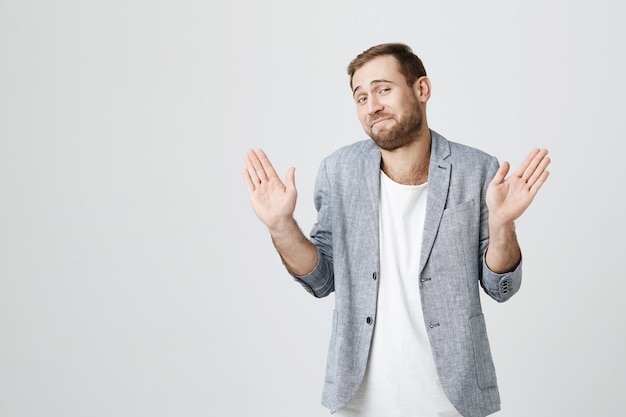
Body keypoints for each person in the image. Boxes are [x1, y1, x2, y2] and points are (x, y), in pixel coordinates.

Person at [243, 43, 550, 417]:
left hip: (452, 399)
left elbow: (501, 288)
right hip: (357, 400)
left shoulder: (478, 171)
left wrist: (503, 225)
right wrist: (280, 225)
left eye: (383, 89)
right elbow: (321, 280)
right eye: (361, 97)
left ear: (422, 90)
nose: (372, 105)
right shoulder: (337, 172)